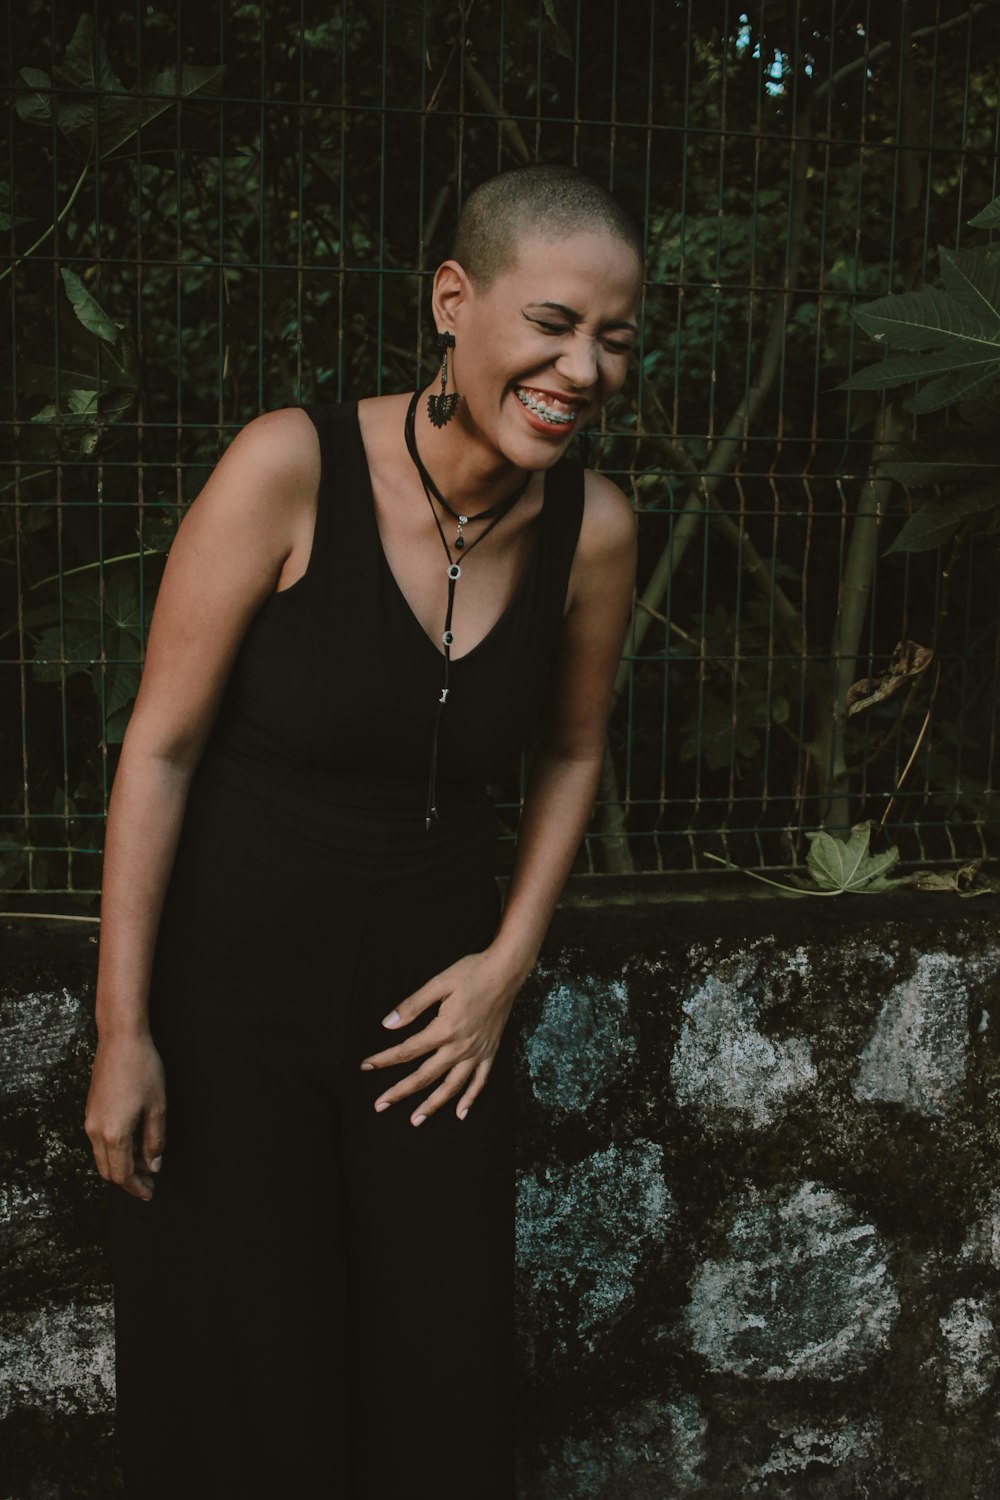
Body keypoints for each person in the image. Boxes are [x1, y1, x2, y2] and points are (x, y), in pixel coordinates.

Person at [84, 162, 642, 1499]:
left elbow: (571, 751)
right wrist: (122, 1029)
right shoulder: (290, 466)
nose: (587, 367)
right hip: (233, 1020)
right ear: (456, 301)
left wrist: (506, 969)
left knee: (436, 1386)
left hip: (432, 1035)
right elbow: (157, 750)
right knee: (245, 1384)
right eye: (555, 323)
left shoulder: (595, 530)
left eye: (618, 337)